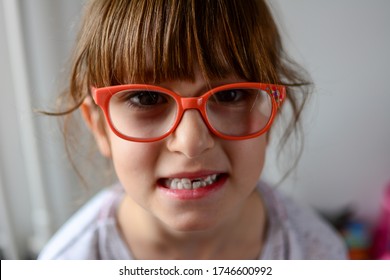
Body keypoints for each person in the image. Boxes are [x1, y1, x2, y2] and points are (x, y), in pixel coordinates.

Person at [38, 0, 347, 260]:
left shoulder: (318, 253)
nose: (192, 142)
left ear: (272, 114)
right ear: (100, 127)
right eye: (148, 98)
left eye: (230, 95)